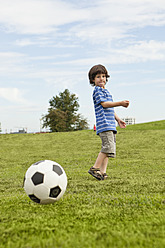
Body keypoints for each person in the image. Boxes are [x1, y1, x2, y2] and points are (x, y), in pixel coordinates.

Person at [88, 64, 129, 180]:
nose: (101, 79)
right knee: (107, 147)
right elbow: (104, 104)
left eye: (103, 76)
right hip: (104, 124)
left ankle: (102, 172)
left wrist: (118, 119)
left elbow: (110, 108)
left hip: (110, 124)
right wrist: (120, 103)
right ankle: (94, 168)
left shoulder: (106, 92)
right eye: (98, 77)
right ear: (93, 80)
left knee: (108, 150)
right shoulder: (97, 91)